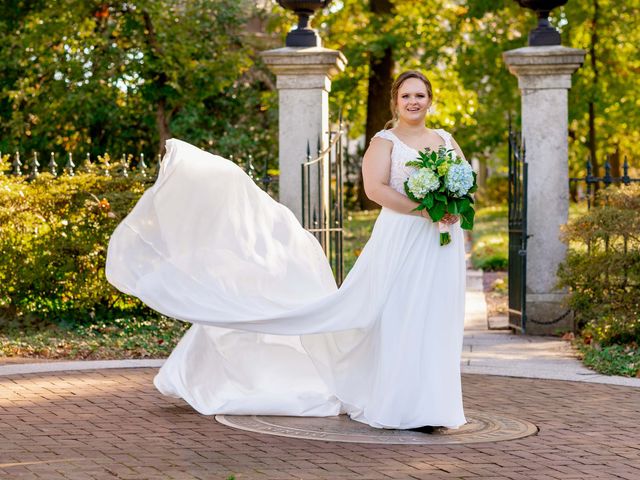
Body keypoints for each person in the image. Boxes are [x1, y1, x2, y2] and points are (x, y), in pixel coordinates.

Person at [106, 70, 468, 431]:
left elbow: (464, 180)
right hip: (402, 236)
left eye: (420, 95)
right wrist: (422, 209)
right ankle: (399, 405)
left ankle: (433, 406)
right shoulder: (384, 141)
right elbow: (375, 189)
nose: (413, 102)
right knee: (400, 316)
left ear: (430, 99)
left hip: (441, 243)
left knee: (436, 318)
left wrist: (455, 205)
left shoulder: (445, 139)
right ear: (396, 101)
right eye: (406, 96)